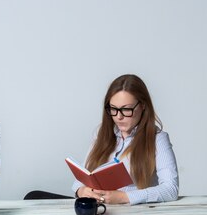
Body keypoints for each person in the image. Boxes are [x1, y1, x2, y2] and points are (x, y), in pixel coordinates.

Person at [73, 74, 178, 205]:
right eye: (113, 109)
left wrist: (125, 197)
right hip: (101, 214)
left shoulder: (157, 139)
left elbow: (170, 190)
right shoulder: (102, 133)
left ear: (143, 105)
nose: (118, 117)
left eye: (126, 109)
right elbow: (82, 176)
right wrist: (81, 190)